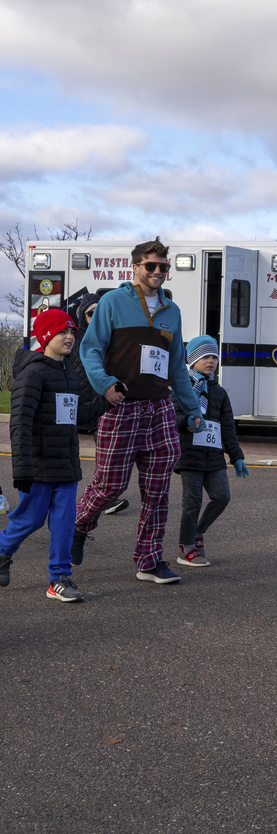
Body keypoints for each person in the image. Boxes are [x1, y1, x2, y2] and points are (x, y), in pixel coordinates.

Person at [73, 239, 203, 585]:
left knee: (158, 489)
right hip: (122, 406)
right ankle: (78, 525)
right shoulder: (114, 302)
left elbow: (176, 366)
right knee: (110, 485)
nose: (158, 272)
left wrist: (192, 409)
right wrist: (105, 385)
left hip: (159, 407)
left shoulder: (171, 311)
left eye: (163, 266)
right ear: (136, 268)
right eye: (151, 266)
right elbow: (90, 349)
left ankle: (149, 560)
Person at [0, 309, 103, 601]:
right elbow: (19, 421)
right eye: (63, 333)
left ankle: (59, 579)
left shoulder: (69, 373)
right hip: (40, 465)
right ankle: (2, 550)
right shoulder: (32, 373)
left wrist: (106, 401)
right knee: (29, 520)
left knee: (64, 522)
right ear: (46, 337)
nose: (70, 337)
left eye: (72, 332)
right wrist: (22, 468)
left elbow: (77, 416)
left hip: (67, 466)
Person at [173, 336, 249, 567]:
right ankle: (186, 548)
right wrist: (186, 420)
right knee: (192, 502)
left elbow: (228, 429)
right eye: (205, 356)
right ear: (193, 359)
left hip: (214, 456)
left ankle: (197, 531)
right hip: (190, 455)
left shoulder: (220, 393)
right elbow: (170, 417)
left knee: (222, 497)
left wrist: (236, 457)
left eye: (214, 357)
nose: (211, 361)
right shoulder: (181, 387)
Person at [66, 289, 129, 533]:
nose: (97, 316)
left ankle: (106, 498)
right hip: (77, 405)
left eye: (100, 312)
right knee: (68, 457)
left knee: (106, 460)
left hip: (102, 405)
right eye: (92, 312)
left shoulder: (110, 338)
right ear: (83, 315)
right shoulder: (74, 338)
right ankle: (67, 503)